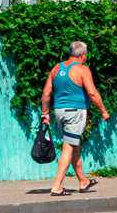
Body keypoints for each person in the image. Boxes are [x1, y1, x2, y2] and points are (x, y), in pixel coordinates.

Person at [41, 41, 109, 196]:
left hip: (59, 112)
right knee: (69, 147)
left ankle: (83, 181)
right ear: (82, 55)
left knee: (75, 144)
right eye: (86, 55)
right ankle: (57, 186)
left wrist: (45, 113)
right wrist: (103, 111)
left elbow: (46, 92)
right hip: (75, 112)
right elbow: (92, 93)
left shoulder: (56, 68)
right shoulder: (82, 69)